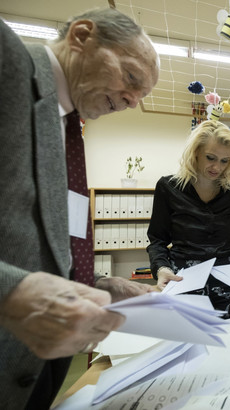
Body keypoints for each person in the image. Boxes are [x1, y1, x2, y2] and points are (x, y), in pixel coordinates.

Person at [0, 8, 160, 409]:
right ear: (82, 36)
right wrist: (10, 293)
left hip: (33, 368)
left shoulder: (67, 124)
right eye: (131, 78)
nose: (130, 100)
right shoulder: (8, 60)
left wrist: (97, 283)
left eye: (141, 96)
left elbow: (46, 238)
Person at [147, 120, 230, 318]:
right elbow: (158, 240)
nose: (217, 167)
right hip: (183, 280)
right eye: (211, 157)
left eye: (224, 160)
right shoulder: (168, 187)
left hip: (226, 284)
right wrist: (161, 268)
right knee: (187, 340)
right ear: (196, 152)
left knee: (228, 339)